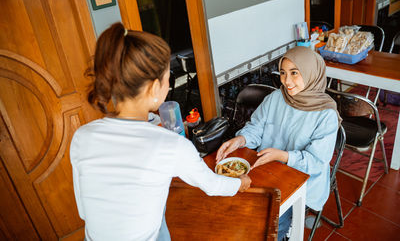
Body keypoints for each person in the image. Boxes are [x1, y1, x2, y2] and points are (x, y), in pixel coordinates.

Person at [70, 23, 251, 241]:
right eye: (168, 78)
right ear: (155, 88)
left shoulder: (82, 136)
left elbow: (84, 211)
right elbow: (212, 185)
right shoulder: (171, 145)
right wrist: (240, 183)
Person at [216, 46, 341, 240]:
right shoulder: (276, 97)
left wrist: (283, 156)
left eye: (294, 73)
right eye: (283, 73)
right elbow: (256, 127)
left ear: (311, 74)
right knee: (237, 205)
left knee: (272, 221)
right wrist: (242, 139)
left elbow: (317, 162)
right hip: (268, 168)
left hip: (303, 178)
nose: (287, 81)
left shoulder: (326, 115)